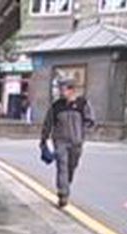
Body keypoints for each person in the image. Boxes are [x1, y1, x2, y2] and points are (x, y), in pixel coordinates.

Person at [40, 79, 95, 208]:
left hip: (76, 143)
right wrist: (43, 140)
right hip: (60, 142)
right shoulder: (56, 106)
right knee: (62, 167)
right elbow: (48, 124)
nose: (61, 92)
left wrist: (82, 133)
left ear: (71, 90)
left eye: (63, 89)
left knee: (71, 167)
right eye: (60, 89)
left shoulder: (83, 104)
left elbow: (90, 121)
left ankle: (66, 185)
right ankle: (63, 194)